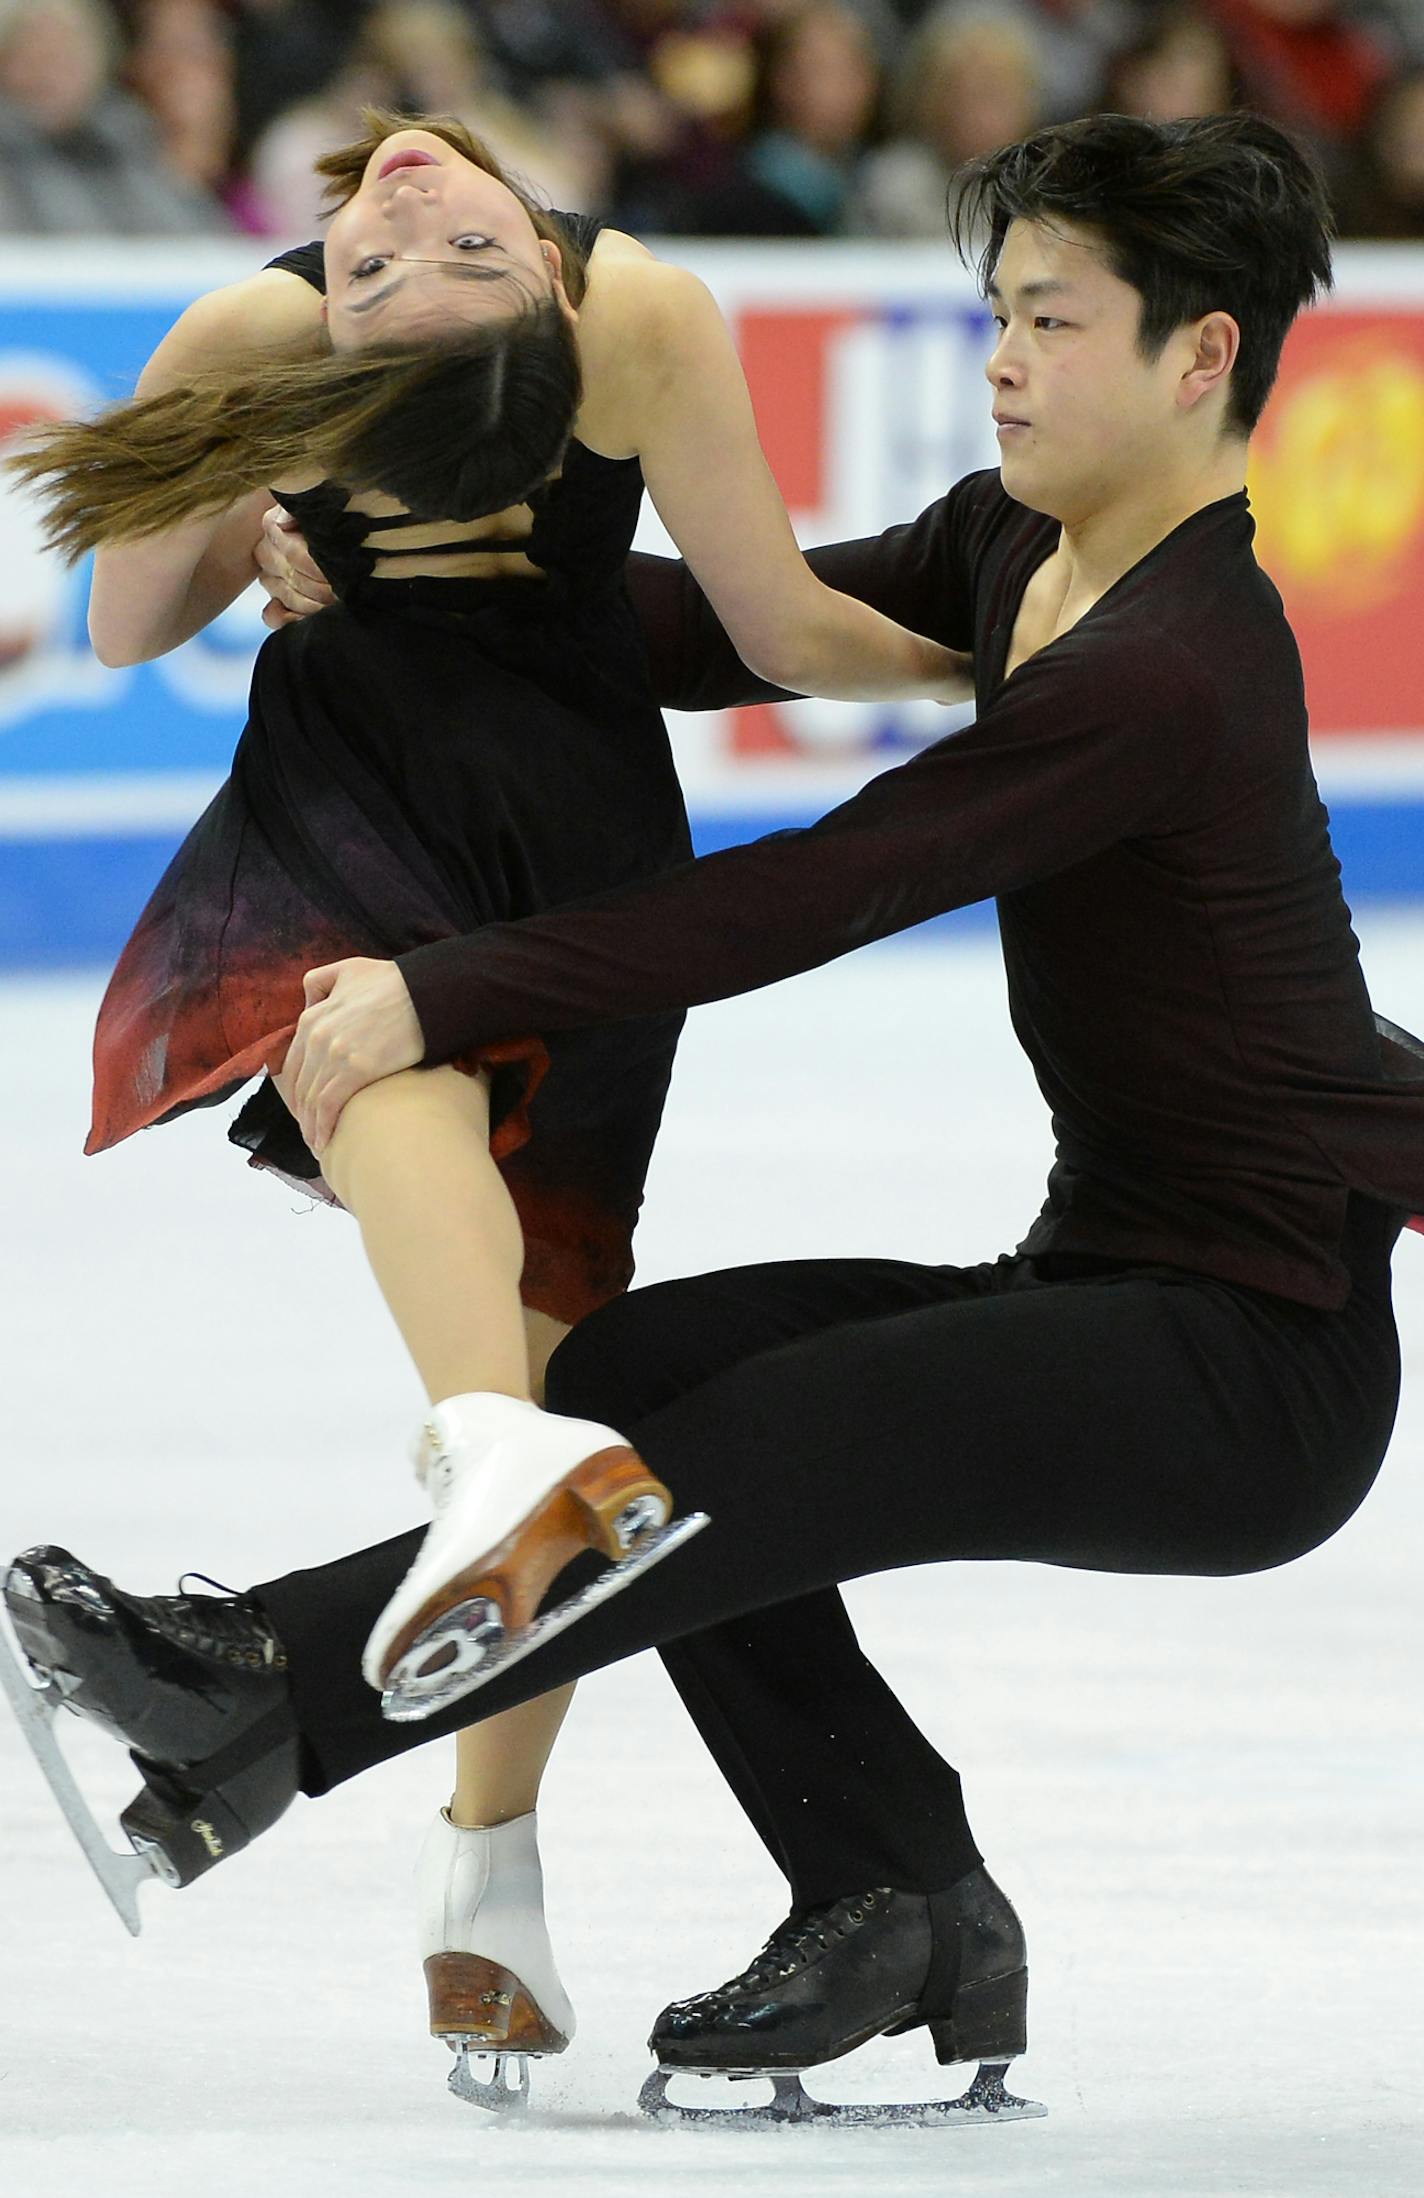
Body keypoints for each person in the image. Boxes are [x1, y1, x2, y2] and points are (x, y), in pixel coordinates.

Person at [12, 109, 1424, 2117]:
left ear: (1201, 357)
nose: (999, 358)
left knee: (739, 1450)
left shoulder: (1175, 669)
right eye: (994, 313)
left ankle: (264, 1690)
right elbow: (692, 627)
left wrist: (442, 986)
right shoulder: (1019, 548)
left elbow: (805, 888)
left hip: (1250, 1362)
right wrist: (422, 583)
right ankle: (893, 1884)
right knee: (641, 1367)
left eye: (1050, 320)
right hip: (1108, 1269)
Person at [6, 106, 964, 2095]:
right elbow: (121, 619)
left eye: (444, 259)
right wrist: (243, 484)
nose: (404, 229)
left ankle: (485, 1847)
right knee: (374, 1054)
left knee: (555, 1325)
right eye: (367, 268)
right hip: (344, 775)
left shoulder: (655, 311)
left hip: (583, 825)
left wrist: (1008, 663)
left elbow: (779, 626)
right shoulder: (245, 339)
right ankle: (482, 1463)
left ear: (546, 289)